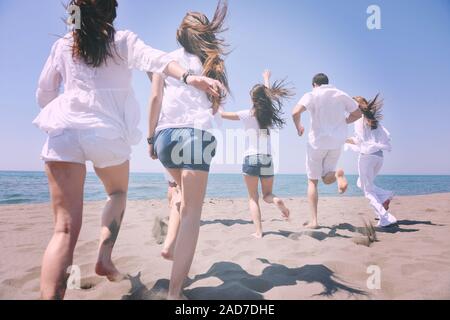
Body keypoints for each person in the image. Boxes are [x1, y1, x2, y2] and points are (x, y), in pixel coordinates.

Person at [34, 0, 223, 300]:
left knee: (64, 231)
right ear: (112, 12)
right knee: (118, 193)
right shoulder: (122, 41)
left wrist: (63, 114)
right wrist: (189, 77)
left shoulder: (63, 45)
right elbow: (156, 60)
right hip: (107, 135)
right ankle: (107, 255)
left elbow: (44, 92)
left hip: (64, 132)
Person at [147, 0, 230, 300]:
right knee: (193, 213)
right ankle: (174, 293)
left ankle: (169, 244)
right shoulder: (212, 65)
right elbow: (216, 104)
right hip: (195, 137)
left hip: (165, 137)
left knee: (181, 194)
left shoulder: (163, 60)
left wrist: (149, 139)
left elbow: (155, 98)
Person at [219, 70, 291, 238]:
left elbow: (222, 115)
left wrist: (218, 99)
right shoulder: (269, 114)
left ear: (252, 100)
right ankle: (276, 200)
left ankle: (259, 232)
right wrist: (266, 78)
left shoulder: (246, 114)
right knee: (267, 195)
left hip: (251, 157)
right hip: (267, 158)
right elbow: (268, 96)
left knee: (253, 198)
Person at [292, 73, 362, 229]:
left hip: (317, 143)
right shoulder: (341, 94)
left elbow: (295, 112)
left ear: (314, 84)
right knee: (326, 177)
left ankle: (314, 221)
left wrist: (299, 127)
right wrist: (344, 121)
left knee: (313, 181)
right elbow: (358, 113)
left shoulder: (312, 94)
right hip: (336, 143)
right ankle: (337, 174)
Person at [346, 95, 397, 227]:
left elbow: (359, 140)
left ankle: (385, 218)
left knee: (367, 191)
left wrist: (343, 139)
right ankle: (385, 195)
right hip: (378, 157)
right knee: (361, 183)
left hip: (367, 157)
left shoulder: (359, 120)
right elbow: (387, 136)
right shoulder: (373, 120)